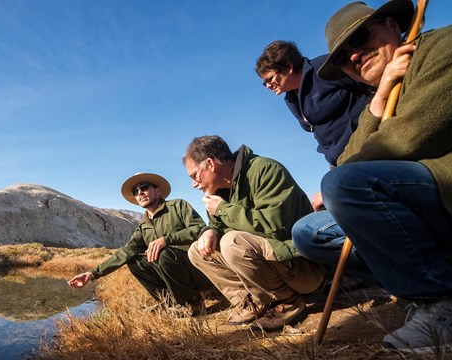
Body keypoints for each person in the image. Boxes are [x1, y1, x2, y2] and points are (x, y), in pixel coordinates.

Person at [292, 0, 452, 351]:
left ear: (394, 26)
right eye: (340, 57)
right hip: (430, 204)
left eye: (360, 36)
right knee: (308, 233)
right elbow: (349, 160)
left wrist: (348, 171)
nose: (353, 54)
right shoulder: (379, 97)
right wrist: (379, 99)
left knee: (344, 186)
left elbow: (409, 138)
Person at [182, 135, 326, 332]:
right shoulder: (218, 192)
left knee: (232, 242)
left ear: (210, 164)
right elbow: (217, 225)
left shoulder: (265, 170)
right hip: (272, 263)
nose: (194, 184)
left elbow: (275, 226)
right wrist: (209, 231)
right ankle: (254, 301)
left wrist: (224, 209)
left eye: (194, 175)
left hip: (303, 269)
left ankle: (287, 302)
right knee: (196, 250)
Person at [68, 172, 211, 316]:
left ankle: (194, 302)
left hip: (197, 269)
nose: (140, 193)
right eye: (135, 192)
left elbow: (199, 229)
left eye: (144, 188)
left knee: (164, 253)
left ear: (158, 190)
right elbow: (125, 252)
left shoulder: (178, 206)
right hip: (172, 274)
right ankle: (171, 303)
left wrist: (166, 240)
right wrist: (91, 274)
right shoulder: (143, 226)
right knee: (134, 261)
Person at [255, 40, 372, 169]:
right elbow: (312, 129)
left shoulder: (325, 68)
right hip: (338, 162)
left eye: (269, 79)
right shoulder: (290, 99)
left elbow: (370, 84)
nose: (267, 86)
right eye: (264, 83)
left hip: (368, 147)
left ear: (288, 67)